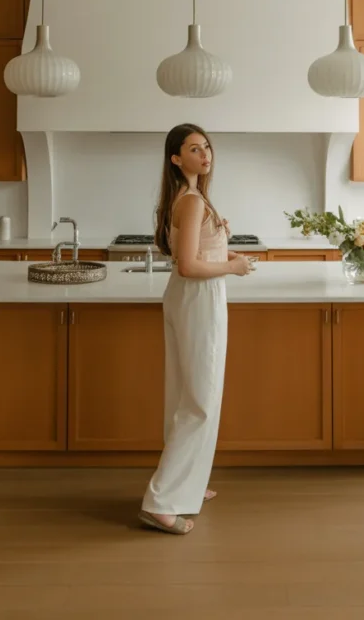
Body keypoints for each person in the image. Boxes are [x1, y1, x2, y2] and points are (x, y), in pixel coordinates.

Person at [139, 123, 252, 535]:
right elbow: (187, 265)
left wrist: (222, 244)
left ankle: (188, 480)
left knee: (185, 394)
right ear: (175, 158)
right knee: (200, 399)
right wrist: (234, 267)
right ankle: (160, 503)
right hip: (198, 298)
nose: (204, 155)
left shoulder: (192, 198)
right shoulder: (190, 201)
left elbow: (191, 252)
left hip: (189, 298)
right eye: (193, 149)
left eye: (206, 147)